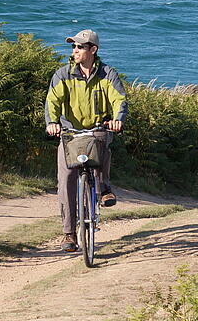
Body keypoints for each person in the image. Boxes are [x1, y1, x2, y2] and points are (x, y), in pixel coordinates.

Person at [45, 29, 127, 252]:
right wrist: (52, 122)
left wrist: (117, 119)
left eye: (80, 47)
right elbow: (52, 101)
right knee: (67, 179)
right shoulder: (63, 75)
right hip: (70, 133)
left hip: (98, 129)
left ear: (93, 49)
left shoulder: (108, 75)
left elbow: (119, 99)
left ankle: (103, 187)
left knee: (102, 149)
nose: (75, 51)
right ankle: (69, 233)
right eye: (73, 47)